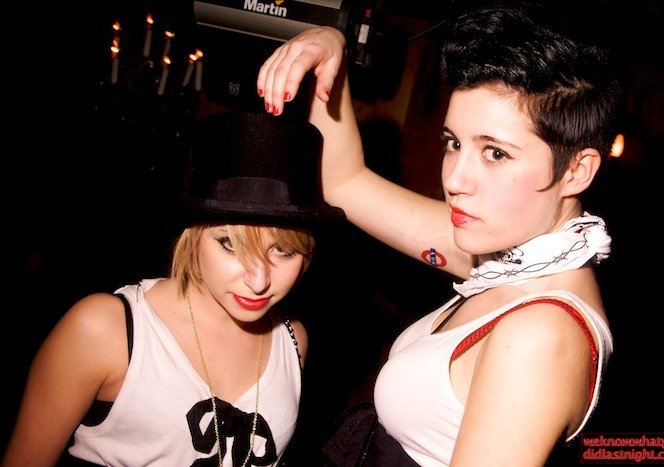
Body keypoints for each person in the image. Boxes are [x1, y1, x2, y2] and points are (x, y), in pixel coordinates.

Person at [256, 1, 627, 465]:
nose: (454, 179)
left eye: (495, 153)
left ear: (577, 170)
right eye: (454, 143)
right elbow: (345, 184)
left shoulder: (540, 336)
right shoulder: (501, 261)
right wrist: (332, 53)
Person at [1, 110, 345, 467]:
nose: (259, 282)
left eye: (283, 250)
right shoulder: (106, 329)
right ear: (191, 235)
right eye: (229, 244)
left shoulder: (292, 339)